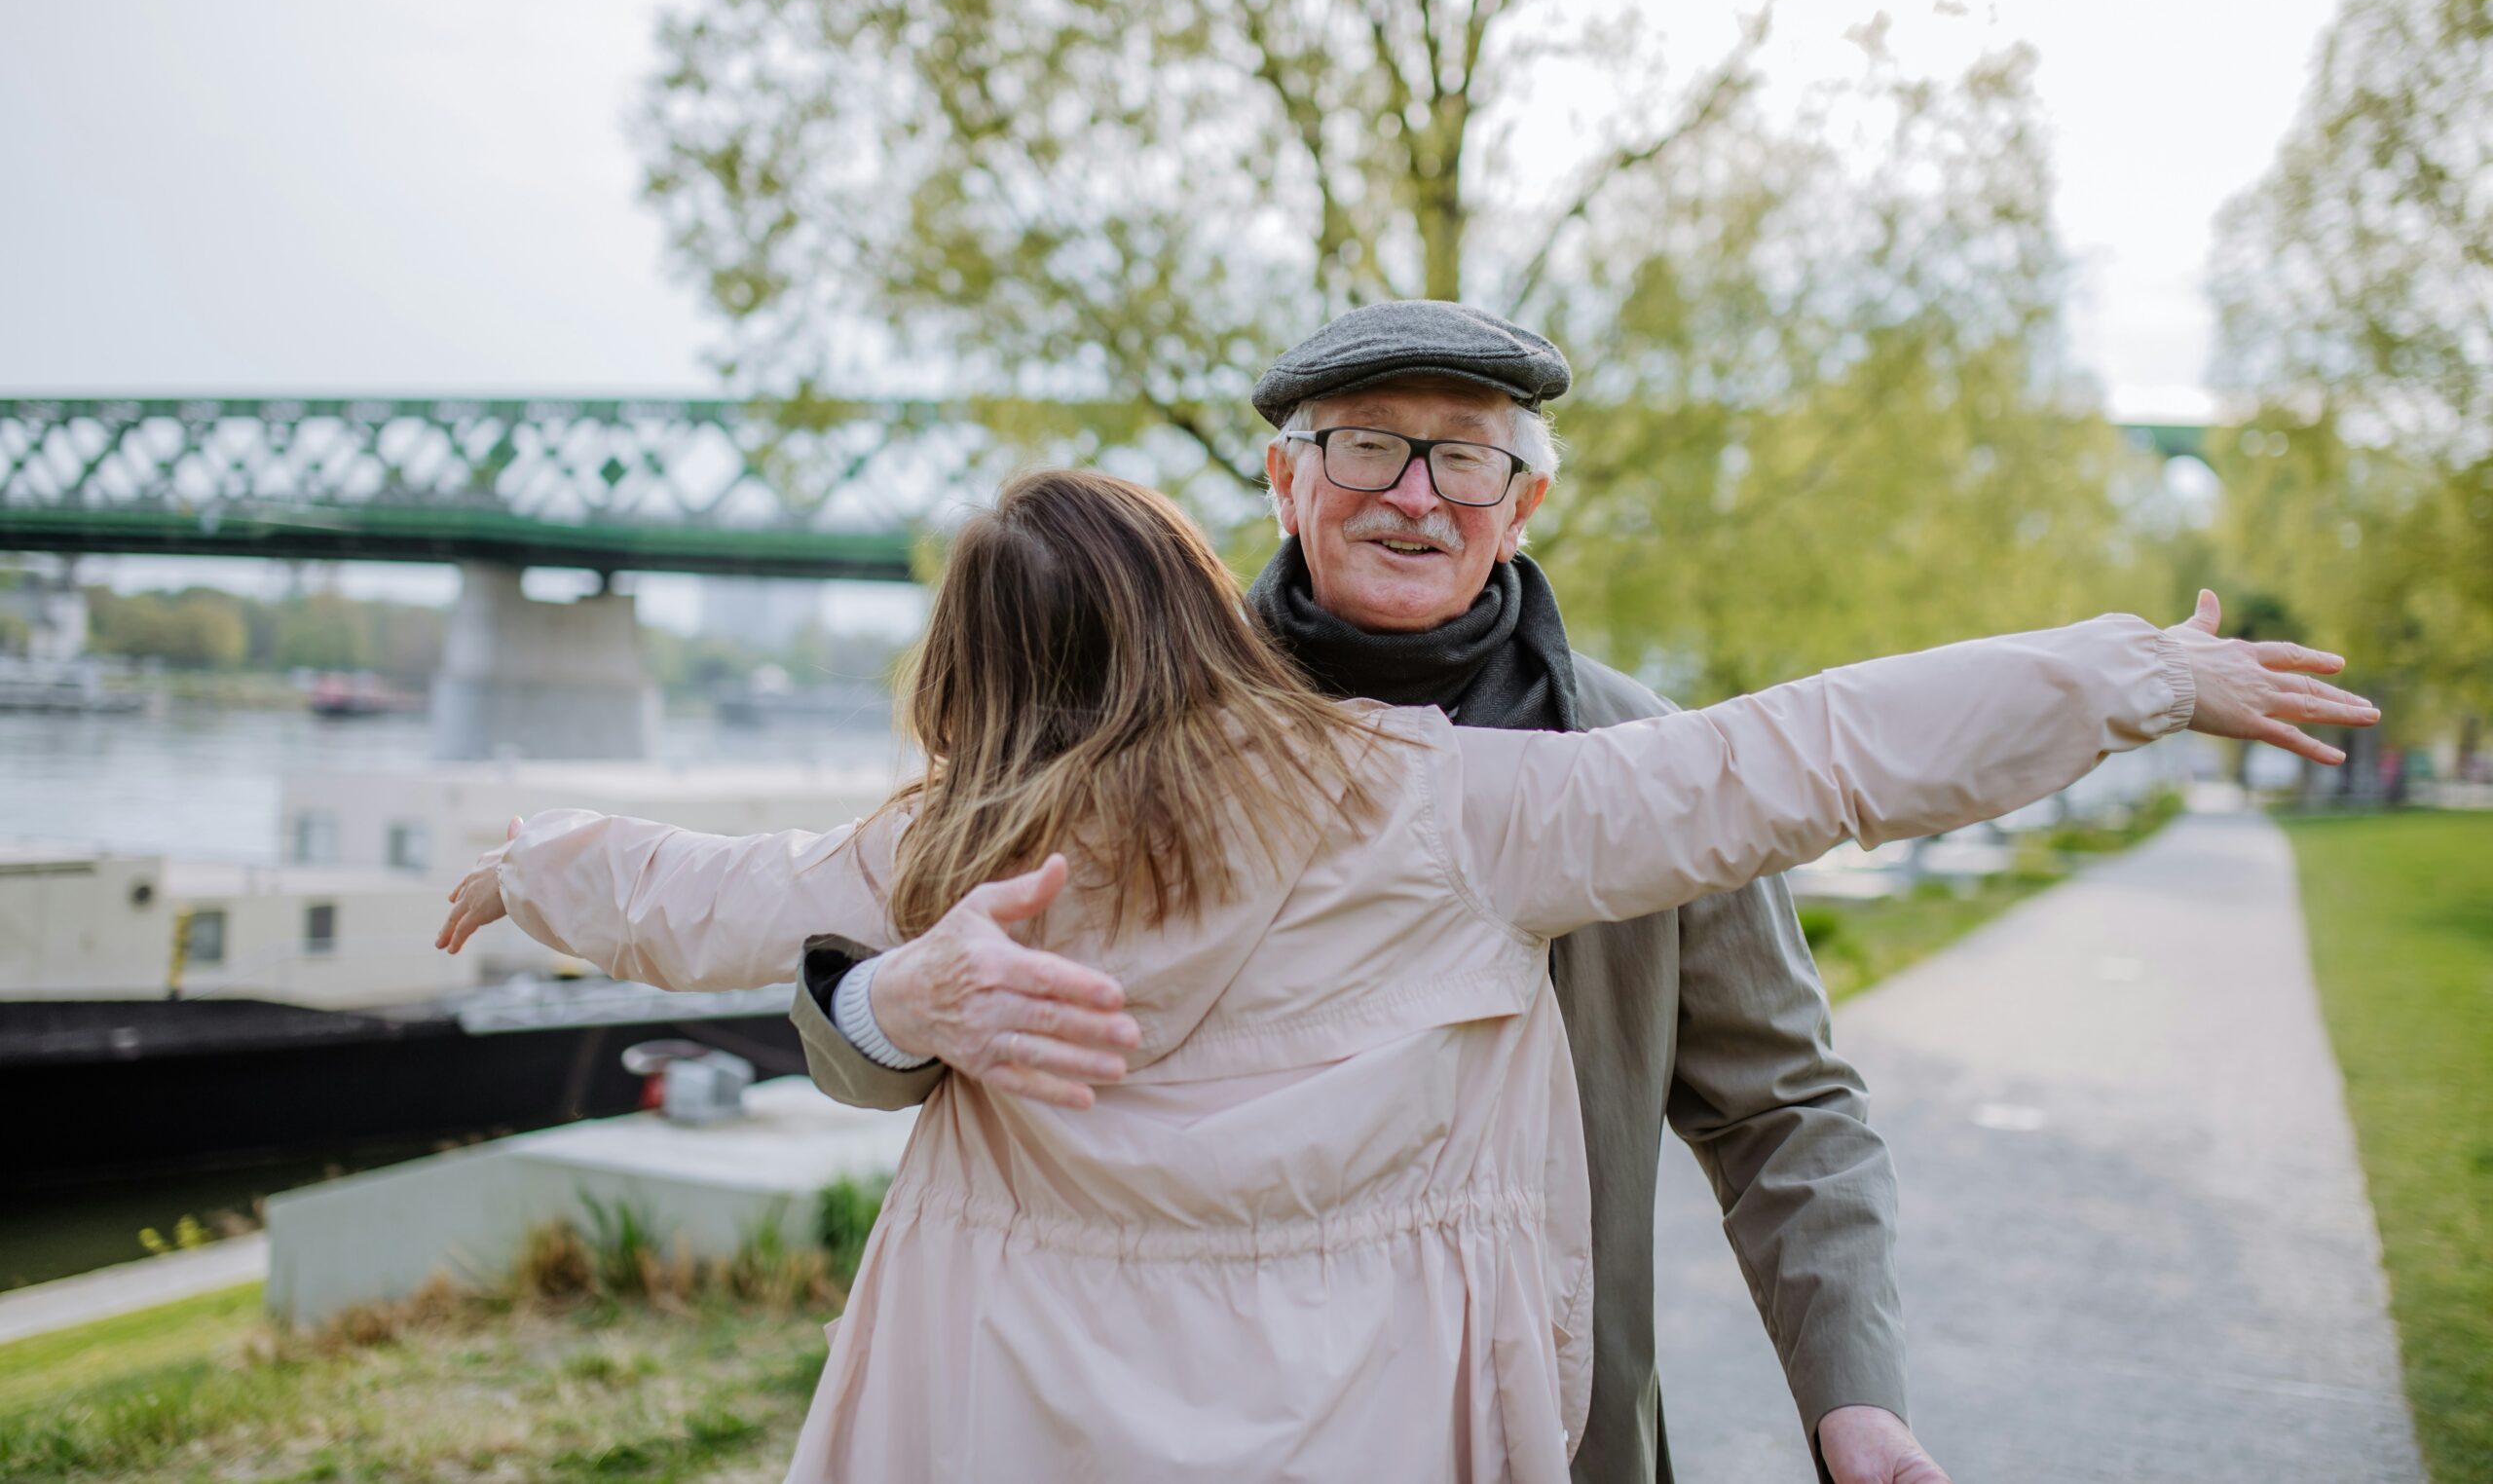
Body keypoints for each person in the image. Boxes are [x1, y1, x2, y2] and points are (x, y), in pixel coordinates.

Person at [439, 467, 2374, 1484]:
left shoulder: (928, 855)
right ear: (1217, 580)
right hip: (1362, 1399)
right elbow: (1806, 755)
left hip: (1022, 1396)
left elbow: (703, 892)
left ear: (973, 672)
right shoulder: (1447, 805)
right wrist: (2128, 672)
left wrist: (532, 869)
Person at [791, 305, 1923, 1481]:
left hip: (1543, 1427)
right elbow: (876, 1036)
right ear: (1287, 483)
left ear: (1522, 504)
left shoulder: (1646, 766)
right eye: (1367, 446)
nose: (1415, 496)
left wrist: (1855, 1399)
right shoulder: (1119, 737)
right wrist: (891, 1005)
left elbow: (1782, 1109)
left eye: (1466, 456)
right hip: (1153, 1428)